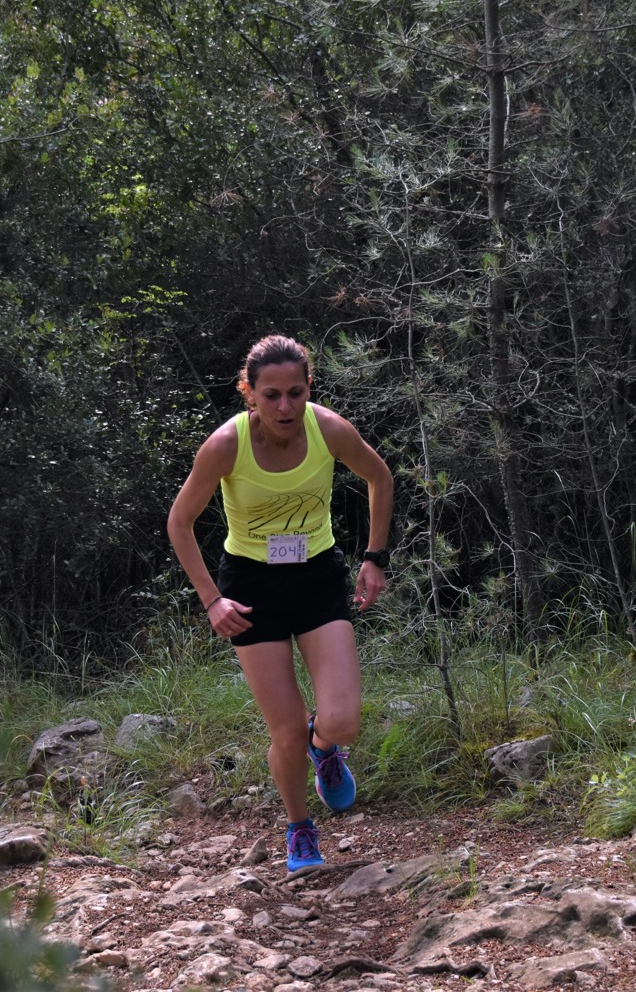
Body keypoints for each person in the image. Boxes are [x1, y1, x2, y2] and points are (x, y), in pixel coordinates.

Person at [167, 334, 393, 872]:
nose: (285, 406)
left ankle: (324, 748)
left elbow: (380, 477)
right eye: (271, 395)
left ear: (309, 387)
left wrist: (374, 557)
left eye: (296, 392)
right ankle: (300, 829)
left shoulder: (328, 429)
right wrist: (212, 600)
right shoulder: (226, 445)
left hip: (317, 576)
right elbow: (179, 521)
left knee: (342, 721)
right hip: (251, 587)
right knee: (285, 731)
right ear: (249, 393)